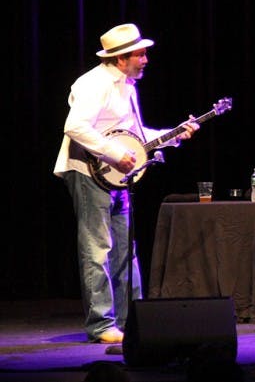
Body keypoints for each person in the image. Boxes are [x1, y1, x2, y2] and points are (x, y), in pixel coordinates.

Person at [53, 23, 199, 344]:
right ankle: (101, 324)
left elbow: (132, 136)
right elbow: (75, 126)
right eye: (140, 54)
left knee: (125, 248)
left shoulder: (127, 86)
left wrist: (172, 135)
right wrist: (115, 154)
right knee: (97, 248)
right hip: (88, 172)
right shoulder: (94, 83)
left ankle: (131, 319)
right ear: (121, 59)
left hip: (115, 177)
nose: (145, 59)